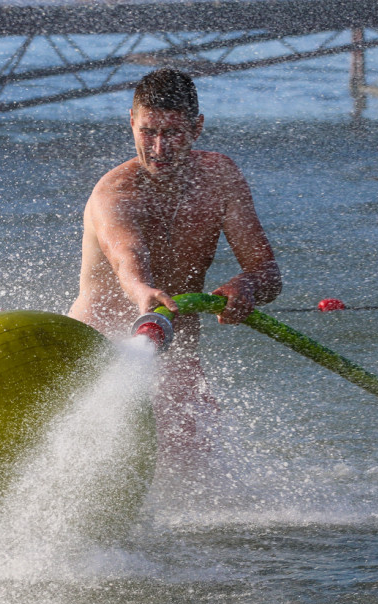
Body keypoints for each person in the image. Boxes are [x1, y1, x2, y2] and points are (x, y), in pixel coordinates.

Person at [68, 67, 281, 460]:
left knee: (202, 482)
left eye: (173, 133)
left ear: (197, 128)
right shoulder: (114, 193)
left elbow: (267, 271)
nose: (159, 148)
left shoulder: (220, 178)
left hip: (177, 357)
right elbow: (126, 257)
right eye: (148, 132)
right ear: (131, 121)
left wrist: (247, 287)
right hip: (96, 355)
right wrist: (141, 290)